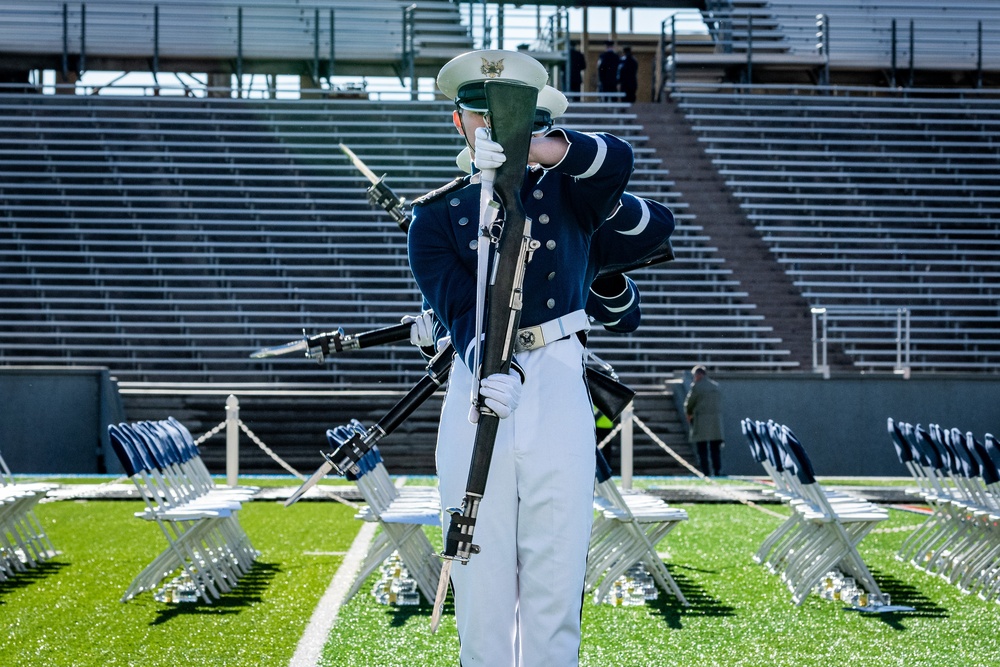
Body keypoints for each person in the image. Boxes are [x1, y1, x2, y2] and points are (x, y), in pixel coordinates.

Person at [408, 48, 646, 666]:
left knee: (556, 565)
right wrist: (490, 366)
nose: (493, 126)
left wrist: (537, 153)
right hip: (480, 383)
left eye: (509, 116)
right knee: (479, 568)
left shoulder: (570, 196)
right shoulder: (434, 216)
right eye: (480, 116)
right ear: (458, 123)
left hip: (559, 374)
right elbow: (460, 308)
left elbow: (617, 159)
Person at [684, 365, 725, 476]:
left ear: (698, 375)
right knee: (715, 450)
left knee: (702, 450)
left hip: (700, 421)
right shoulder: (715, 386)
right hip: (715, 423)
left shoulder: (697, 386)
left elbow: (689, 404)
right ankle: (717, 471)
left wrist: (689, 414)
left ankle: (706, 472)